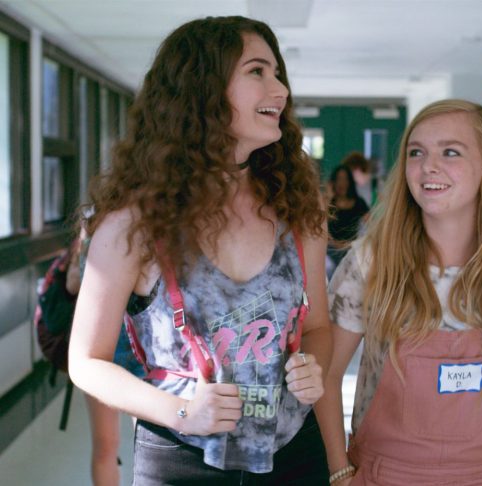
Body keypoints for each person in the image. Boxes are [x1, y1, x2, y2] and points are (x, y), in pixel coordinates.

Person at [68, 16, 332, 484]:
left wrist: (316, 369)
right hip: (180, 458)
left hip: (293, 452)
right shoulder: (135, 222)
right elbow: (86, 362)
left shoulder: (296, 209)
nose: (280, 90)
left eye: (277, 73)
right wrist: (183, 411)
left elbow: (317, 328)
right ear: (204, 89)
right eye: (257, 72)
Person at [316, 99, 482, 486]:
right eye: (417, 152)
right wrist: (338, 470)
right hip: (386, 474)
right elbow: (326, 373)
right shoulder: (371, 261)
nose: (429, 166)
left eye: (450, 152)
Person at [63, 230, 145, 486]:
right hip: (139, 349)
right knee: (142, 445)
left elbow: (72, 285)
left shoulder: (93, 223)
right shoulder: (155, 220)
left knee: (104, 446)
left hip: (99, 350)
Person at [327, 164, 369, 269]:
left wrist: (353, 244)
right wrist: (328, 196)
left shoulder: (359, 203)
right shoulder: (328, 203)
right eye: (339, 179)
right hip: (331, 250)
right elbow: (318, 225)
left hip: (352, 249)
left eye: (345, 179)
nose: (342, 183)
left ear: (350, 182)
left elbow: (371, 225)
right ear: (333, 183)